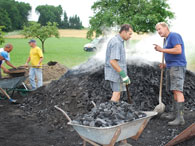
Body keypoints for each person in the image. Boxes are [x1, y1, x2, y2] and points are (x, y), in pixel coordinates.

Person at [154, 22, 187, 126]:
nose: (158, 31)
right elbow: (171, 53)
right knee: (174, 90)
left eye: (159, 29)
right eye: (157, 30)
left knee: (178, 90)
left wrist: (161, 49)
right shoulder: (166, 39)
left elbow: (178, 50)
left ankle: (180, 118)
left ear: (165, 27)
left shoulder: (174, 36)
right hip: (171, 66)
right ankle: (175, 114)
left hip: (177, 66)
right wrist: (165, 64)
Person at [105, 24, 132, 102]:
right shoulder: (117, 43)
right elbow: (113, 61)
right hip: (115, 74)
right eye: (129, 34)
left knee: (117, 94)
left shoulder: (118, 41)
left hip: (116, 73)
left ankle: (113, 111)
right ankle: (110, 112)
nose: (130, 36)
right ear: (123, 32)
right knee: (116, 95)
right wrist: (124, 75)